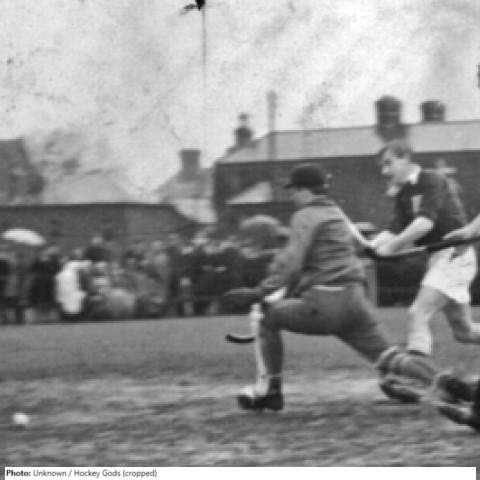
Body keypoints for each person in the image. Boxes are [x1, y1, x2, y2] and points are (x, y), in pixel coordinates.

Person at [222, 163, 468, 412]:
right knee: (392, 357)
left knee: (264, 318)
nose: (292, 196)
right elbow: (344, 256)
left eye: (294, 190)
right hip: (355, 302)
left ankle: (269, 391)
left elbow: (292, 261)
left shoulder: (304, 216)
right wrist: (280, 294)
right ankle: (448, 384)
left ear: (305, 190)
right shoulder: (338, 215)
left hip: (324, 304)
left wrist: (259, 293)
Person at [372, 140, 480, 358]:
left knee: (418, 313)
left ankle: (421, 374)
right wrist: (370, 246)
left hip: (455, 256)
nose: (384, 171)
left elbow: (425, 223)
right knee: (464, 331)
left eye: (388, 163)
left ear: (405, 158)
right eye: (382, 166)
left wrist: (392, 246)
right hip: (440, 259)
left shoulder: (431, 180)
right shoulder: (404, 193)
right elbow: (394, 230)